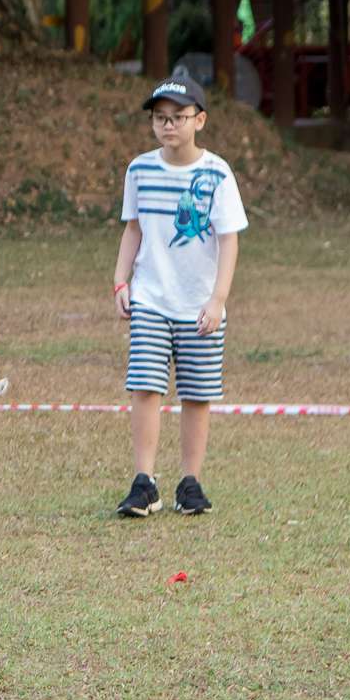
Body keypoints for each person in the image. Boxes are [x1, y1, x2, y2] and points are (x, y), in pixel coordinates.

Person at [111, 76, 246, 517]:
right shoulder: (139, 169)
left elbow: (229, 241)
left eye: (178, 118)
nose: (168, 126)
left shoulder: (217, 173)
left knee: (196, 393)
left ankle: (190, 482)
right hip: (150, 297)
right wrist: (120, 281)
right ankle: (144, 482)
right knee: (146, 387)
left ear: (199, 120)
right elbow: (133, 229)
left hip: (199, 304)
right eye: (160, 118)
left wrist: (217, 299)